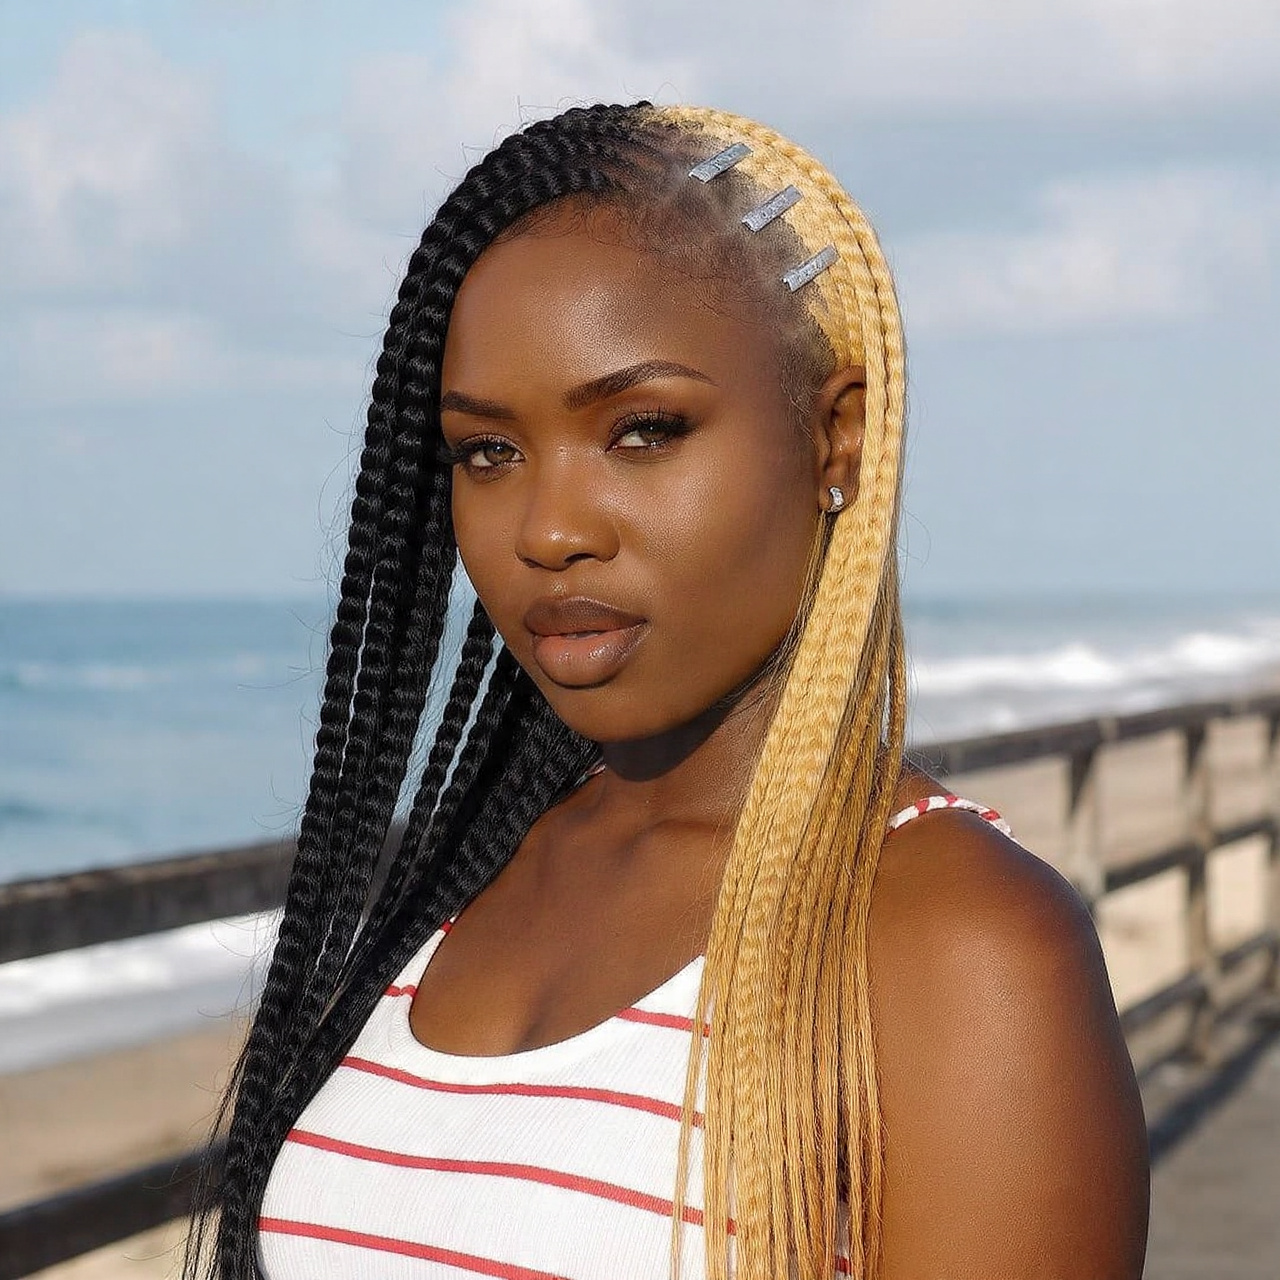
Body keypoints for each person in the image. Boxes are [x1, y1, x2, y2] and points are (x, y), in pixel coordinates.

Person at [188, 103, 1149, 1280]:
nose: (548, 529)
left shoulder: (957, 941)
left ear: (835, 440)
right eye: (488, 452)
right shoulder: (461, 877)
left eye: (641, 430)